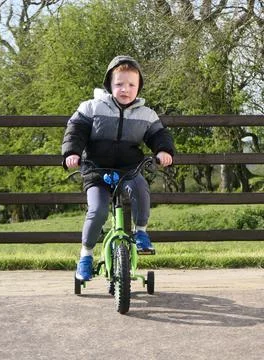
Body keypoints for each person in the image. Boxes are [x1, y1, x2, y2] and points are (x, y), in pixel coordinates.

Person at [62, 55, 174, 281]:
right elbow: (75, 131)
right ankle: (86, 256)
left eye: (132, 85)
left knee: (141, 188)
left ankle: (141, 232)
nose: (126, 89)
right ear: (109, 85)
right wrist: (72, 153)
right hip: (95, 169)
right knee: (98, 209)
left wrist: (163, 151)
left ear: (139, 87)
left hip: (129, 168)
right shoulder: (91, 107)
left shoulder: (146, 114)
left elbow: (159, 135)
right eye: (119, 84)